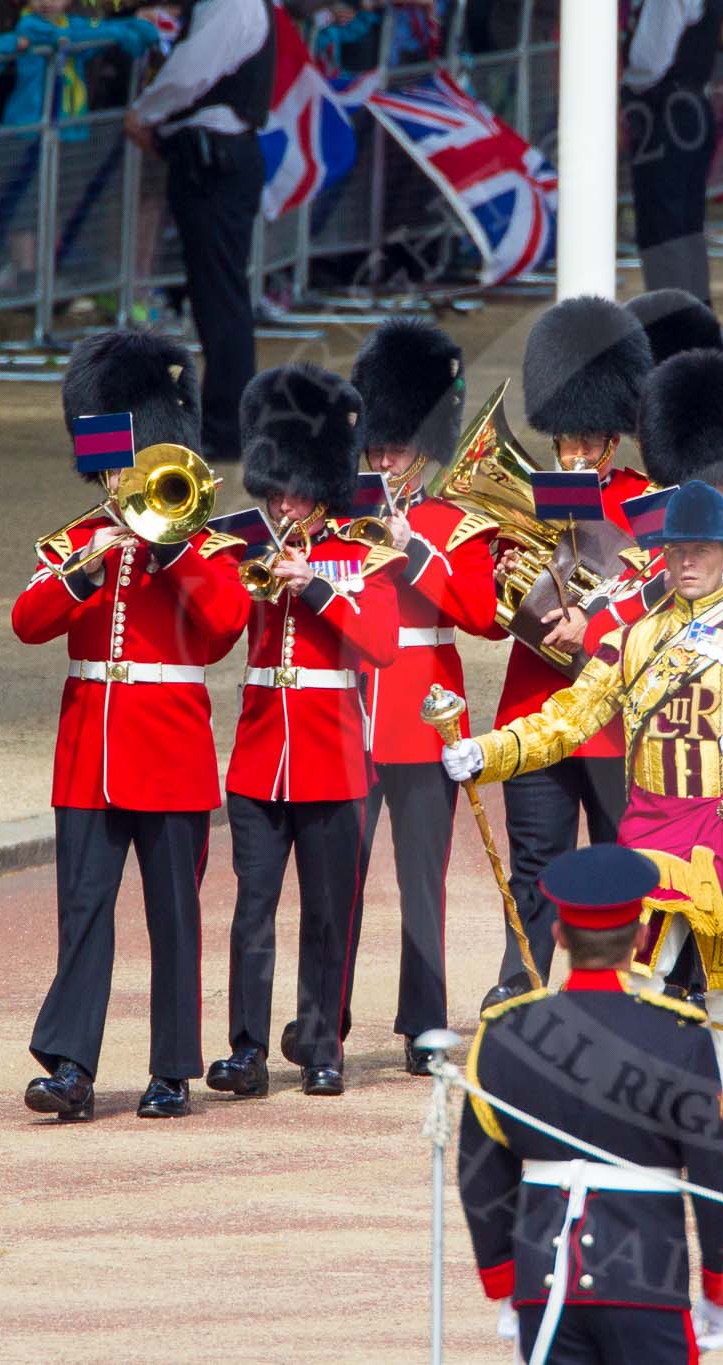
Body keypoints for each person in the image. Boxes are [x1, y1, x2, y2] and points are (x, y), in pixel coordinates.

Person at [444, 481, 723, 1174]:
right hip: (651, 835)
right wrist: (489, 752)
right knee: (629, 992)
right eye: (677, 550)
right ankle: (628, 1137)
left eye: (700, 550)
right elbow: (570, 716)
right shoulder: (634, 637)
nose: (687, 562)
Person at [13, 331, 247, 1122]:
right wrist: (88, 567)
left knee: (173, 918)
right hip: (88, 755)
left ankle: (172, 1068)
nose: (121, 481)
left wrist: (169, 551)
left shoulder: (203, 545)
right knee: (83, 913)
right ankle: (73, 1066)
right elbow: (27, 621)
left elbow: (220, 628)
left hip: (170, 752)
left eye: (132, 465)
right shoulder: (79, 542)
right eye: (111, 467)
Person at [459, 844, 723, 1362]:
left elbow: (481, 1172)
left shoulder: (505, 1033)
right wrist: (721, 1286)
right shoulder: (678, 1035)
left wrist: (504, 1277)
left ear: (559, 935)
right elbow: (714, 1173)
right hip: (647, 1280)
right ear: (640, 937)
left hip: (543, 1282)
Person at [205, 364, 402, 1099]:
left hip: (333, 759)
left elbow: (379, 642)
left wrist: (315, 584)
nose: (285, 504)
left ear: (323, 490)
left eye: (297, 491)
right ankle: (247, 1049)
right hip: (260, 759)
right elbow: (219, 637)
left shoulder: (362, 554)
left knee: (328, 913)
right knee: (252, 909)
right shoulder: (248, 547)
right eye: (276, 490)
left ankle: (322, 1046)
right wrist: (222, 569)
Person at [336, 319, 497, 1075]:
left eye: (398, 444)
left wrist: (417, 549)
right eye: (377, 442)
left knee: (421, 884)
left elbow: (480, 612)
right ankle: (322, 1028)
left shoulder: (452, 522)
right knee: (339, 879)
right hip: (345, 713)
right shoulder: (341, 519)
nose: (386, 455)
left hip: (425, 711)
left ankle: (422, 1022)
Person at [482, 297, 655, 999]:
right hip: (537, 699)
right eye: (567, 439)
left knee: (622, 857)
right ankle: (519, 981)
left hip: (614, 715)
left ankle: (627, 985)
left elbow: (658, 604)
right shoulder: (522, 499)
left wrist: (596, 627)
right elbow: (490, 618)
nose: (577, 451)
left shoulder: (644, 502)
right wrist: (504, 578)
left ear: (614, 440)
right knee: (534, 862)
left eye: (590, 439)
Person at [122, 0, 274, 462]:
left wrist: (144, 111)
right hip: (215, 158)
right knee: (217, 295)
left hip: (215, 161)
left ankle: (228, 427)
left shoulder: (229, 5)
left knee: (219, 295)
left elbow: (190, 73)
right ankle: (226, 421)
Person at [623, 0, 723, 304]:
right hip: (688, 107)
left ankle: (676, 324)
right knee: (684, 225)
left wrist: (620, 86)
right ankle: (693, 321)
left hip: (666, 110)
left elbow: (648, 63)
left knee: (664, 227)